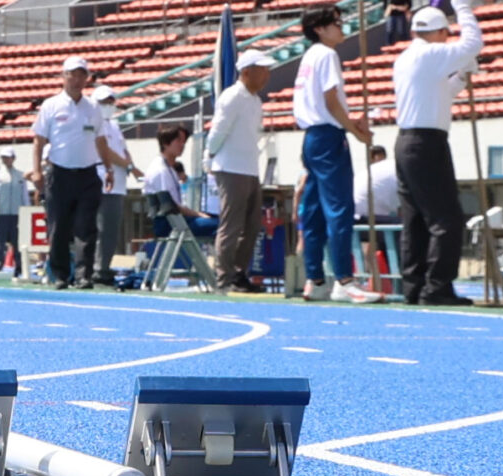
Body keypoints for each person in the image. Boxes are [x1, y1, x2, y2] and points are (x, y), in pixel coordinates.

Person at [392, 0, 483, 304]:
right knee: (446, 218)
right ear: (441, 32)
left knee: (416, 219)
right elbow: (473, 43)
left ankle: (414, 286)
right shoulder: (431, 53)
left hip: (406, 142)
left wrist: (459, 77)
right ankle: (438, 287)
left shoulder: (407, 57)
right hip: (427, 143)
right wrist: (463, 7)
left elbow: (437, 94)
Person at [293, 7, 378, 302]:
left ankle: (315, 279)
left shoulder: (309, 57)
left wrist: (351, 125)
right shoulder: (327, 55)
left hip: (312, 137)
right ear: (319, 28)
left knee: (314, 211)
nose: (343, 29)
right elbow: (330, 100)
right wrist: (355, 132)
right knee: (339, 208)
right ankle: (344, 278)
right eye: (337, 24)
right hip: (329, 137)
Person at [29, 54, 111, 287]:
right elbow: (39, 141)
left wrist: (108, 168)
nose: (76, 80)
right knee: (59, 228)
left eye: (80, 75)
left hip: (87, 173)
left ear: (87, 78)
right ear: (63, 77)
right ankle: (61, 275)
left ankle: (84, 275)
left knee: (87, 228)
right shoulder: (51, 105)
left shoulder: (93, 108)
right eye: (71, 75)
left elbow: (101, 139)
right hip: (60, 173)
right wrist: (36, 171)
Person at [206, 50, 276, 292]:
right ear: (246, 72)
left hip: (248, 168)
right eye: (262, 69)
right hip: (231, 167)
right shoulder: (232, 96)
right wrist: (210, 156)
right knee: (231, 226)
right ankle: (224, 278)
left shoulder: (254, 100)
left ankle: (238, 274)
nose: (267, 74)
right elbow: (218, 131)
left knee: (252, 226)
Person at [140, 124, 219, 285]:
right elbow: (171, 205)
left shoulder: (168, 168)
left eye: (184, 141)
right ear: (166, 143)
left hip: (175, 221)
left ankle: (219, 271)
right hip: (171, 224)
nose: (182, 145)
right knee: (222, 226)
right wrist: (199, 214)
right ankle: (224, 273)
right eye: (179, 141)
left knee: (218, 222)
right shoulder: (161, 170)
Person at [92, 88, 133, 272]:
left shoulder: (114, 126)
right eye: (103, 102)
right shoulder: (93, 123)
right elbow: (105, 150)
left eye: (110, 102)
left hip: (118, 185)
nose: (108, 106)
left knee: (111, 231)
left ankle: (104, 266)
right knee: (101, 229)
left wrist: (131, 165)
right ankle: (97, 268)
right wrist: (125, 163)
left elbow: (124, 150)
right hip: (102, 182)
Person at [0, 148, 27, 273]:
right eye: (3, 157)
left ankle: (19, 266)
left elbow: (24, 194)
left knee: (17, 242)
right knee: (0, 241)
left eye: (8, 157)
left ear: (13, 158)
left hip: (16, 213)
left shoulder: (20, 175)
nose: (5, 160)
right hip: (2, 213)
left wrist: (26, 209)